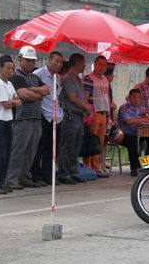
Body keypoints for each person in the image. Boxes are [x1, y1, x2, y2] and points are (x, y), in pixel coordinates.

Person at [6, 46, 50, 189]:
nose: (31, 63)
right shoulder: (16, 77)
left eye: (33, 61)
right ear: (20, 60)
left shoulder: (35, 77)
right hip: (22, 119)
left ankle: (24, 177)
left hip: (36, 118)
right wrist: (38, 95)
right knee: (18, 150)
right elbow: (23, 95)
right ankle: (11, 179)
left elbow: (47, 90)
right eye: (28, 60)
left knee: (31, 150)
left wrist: (33, 90)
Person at [0, 55, 21, 194]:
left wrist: (12, 101)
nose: (10, 71)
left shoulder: (9, 84)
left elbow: (19, 101)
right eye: (8, 68)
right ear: (0, 68)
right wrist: (13, 101)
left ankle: (1, 183)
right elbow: (6, 104)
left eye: (12, 68)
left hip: (8, 122)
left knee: (6, 154)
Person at [30, 51, 64, 185]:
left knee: (52, 148)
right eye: (56, 61)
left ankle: (47, 175)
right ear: (49, 60)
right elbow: (31, 89)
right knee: (39, 147)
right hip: (44, 115)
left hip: (56, 116)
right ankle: (35, 175)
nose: (58, 64)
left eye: (61, 62)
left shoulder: (59, 78)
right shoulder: (38, 74)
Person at [57, 53, 91, 184]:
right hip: (70, 115)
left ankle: (73, 170)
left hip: (78, 115)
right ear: (76, 63)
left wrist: (84, 108)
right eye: (83, 62)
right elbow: (73, 98)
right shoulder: (68, 78)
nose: (84, 65)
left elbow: (80, 97)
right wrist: (86, 107)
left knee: (76, 145)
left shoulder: (77, 79)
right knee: (68, 145)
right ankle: (64, 173)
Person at [83, 55, 110, 178]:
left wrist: (109, 115)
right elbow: (85, 97)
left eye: (104, 65)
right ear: (95, 64)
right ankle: (88, 166)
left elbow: (107, 97)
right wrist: (88, 112)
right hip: (93, 113)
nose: (102, 67)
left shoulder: (105, 79)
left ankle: (96, 166)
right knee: (91, 141)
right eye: (100, 64)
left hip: (103, 113)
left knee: (100, 142)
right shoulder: (88, 78)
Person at [118, 89, 149, 177]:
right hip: (123, 136)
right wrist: (144, 119)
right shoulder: (124, 108)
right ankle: (135, 168)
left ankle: (148, 164)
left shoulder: (138, 109)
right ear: (129, 97)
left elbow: (140, 119)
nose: (136, 99)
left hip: (136, 134)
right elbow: (129, 121)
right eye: (134, 97)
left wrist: (148, 119)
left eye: (138, 98)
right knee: (133, 141)